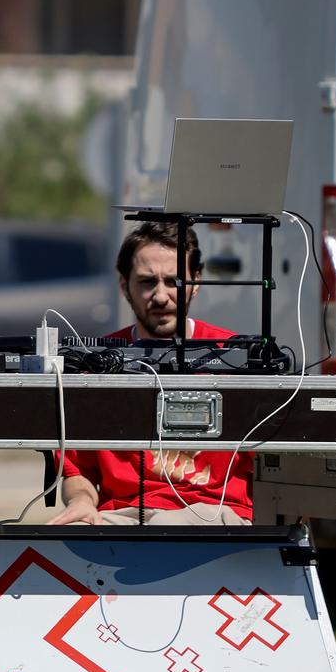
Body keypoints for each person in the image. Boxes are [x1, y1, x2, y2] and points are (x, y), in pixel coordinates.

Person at [47, 221, 254, 526]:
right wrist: (81, 504)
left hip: (212, 515)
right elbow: (78, 472)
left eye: (173, 282)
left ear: (196, 282)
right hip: (124, 517)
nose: (160, 296)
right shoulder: (96, 364)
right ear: (123, 285)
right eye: (147, 282)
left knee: (165, 527)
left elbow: (279, 469)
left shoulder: (236, 360)